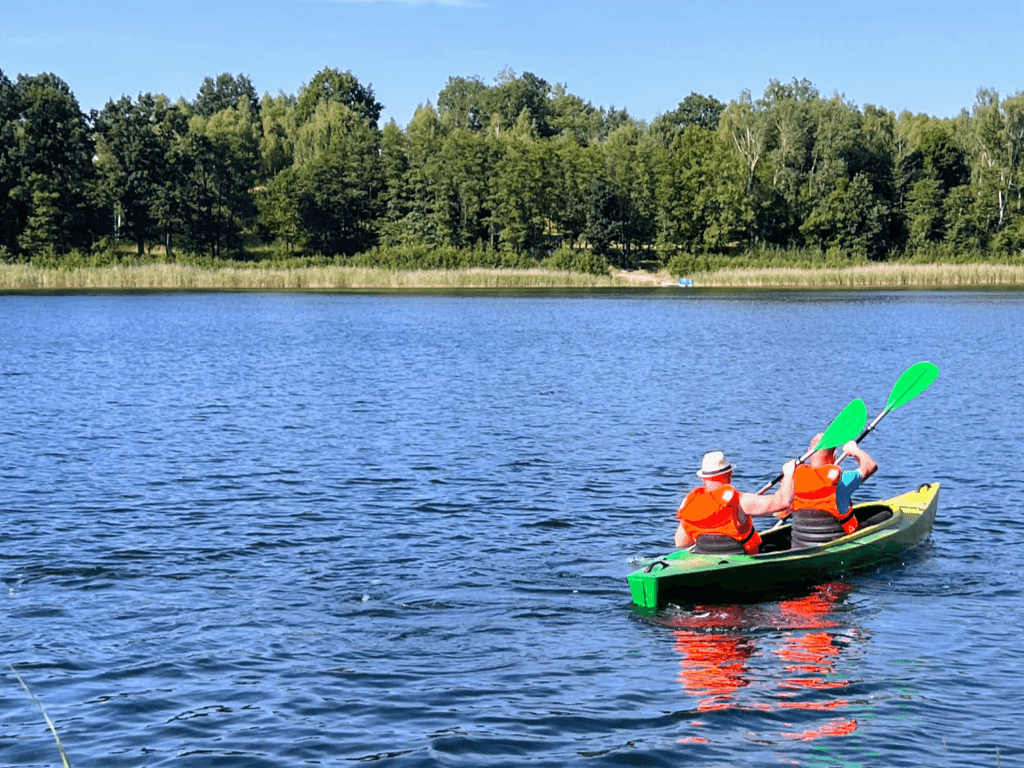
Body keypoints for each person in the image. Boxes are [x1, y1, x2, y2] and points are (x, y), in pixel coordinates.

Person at [675, 451, 796, 554]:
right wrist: (789, 474)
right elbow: (783, 502)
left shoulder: (690, 503)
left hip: (706, 557)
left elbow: (680, 542)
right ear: (729, 474)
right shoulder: (742, 502)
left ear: (703, 478)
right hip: (741, 559)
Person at [786, 434, 877, 549]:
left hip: (800, 545)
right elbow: (870, 466)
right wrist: (855, 451)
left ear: (809, 453)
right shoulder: (843, 480)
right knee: (882, 515)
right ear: (834, 456)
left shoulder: (793, 479)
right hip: (834, 547)